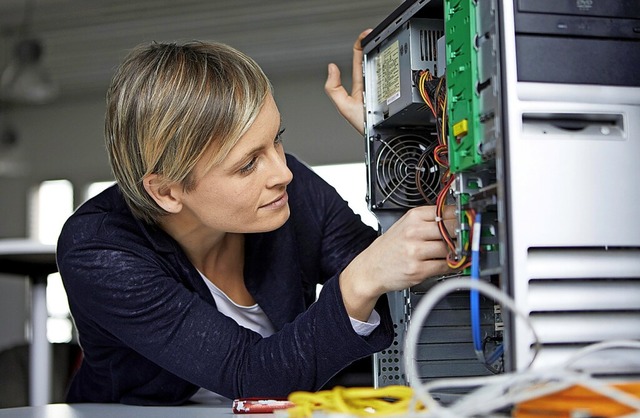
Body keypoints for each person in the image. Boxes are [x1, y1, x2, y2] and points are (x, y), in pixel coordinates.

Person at [56, 31, 457, 405]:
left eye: (276, 139)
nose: (282, 173)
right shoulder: (97, 249)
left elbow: (404, 280)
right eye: (247, 164)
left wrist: (389, 139)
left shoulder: (292, 190)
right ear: (166, 191)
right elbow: (251, 376)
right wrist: (362, 277)